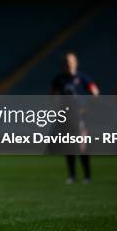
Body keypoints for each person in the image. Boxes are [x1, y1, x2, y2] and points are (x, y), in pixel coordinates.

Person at [50, 52, 99, 184]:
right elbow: (52, 96)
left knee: (82, 145)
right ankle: (71, 175)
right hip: (65, 116)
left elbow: (95, 92)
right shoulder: (59, 79)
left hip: (79, 116)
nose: (68, 64)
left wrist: (86, 107)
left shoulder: (82, 78)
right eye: (66, 62)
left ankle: (87, 176)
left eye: (71, 61)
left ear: (75, 63)